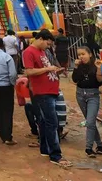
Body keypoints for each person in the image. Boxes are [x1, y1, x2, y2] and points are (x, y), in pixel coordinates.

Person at [22, 29, 71, 168]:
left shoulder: (42, 52)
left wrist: (55, 70)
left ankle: (45, 149)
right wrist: (48, 69)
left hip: (50, 89)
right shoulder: (29, 52)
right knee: (52, 122)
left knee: (44, 121)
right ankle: (56, 155)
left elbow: (44, 69)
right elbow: (29, 71)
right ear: (41, 39)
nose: (48, 46)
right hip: (42, 92)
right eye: (48, 44)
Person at [72, 46, 102, 157]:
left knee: (90, 122)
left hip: (93, 95)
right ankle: (100, 145)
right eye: (79, 55)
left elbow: (100, 81)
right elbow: (75, 79)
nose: (81, 57)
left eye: (83, 54)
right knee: (90, 121)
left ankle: (88, 148)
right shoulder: (79, 66)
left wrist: (99, 69)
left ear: (90, 54)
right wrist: (76, 67)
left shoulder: (96, 65)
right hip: (80, 95)